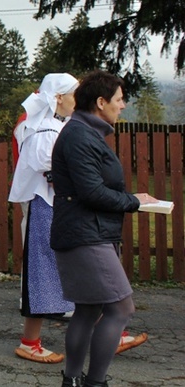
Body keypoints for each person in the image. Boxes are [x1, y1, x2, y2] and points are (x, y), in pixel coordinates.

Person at [51, 71, 156, 387]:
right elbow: (92, 192)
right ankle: (94, 383)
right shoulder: (80, 135)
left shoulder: (86, 133)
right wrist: (133, 201)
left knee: (88, 309)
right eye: (120, 99)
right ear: (101, 102)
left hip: (89, 232)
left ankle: (72, 381)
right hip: (85, 234)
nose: (122, 106)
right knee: (121, 308)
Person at [8, 73, 79, 364]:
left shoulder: (50, 127)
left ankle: (31, 341)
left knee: (60, 270)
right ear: (58, 97)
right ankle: (30, 342)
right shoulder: (44, 130)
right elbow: (46, 165)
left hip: (53, 205)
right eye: (74, 94)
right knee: (48, 271)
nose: (77, 100)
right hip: (47, 206)